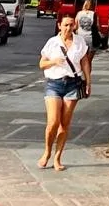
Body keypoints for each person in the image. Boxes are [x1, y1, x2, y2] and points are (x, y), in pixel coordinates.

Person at [37, 12, 92, 172]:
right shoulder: (52, 42)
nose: (68, 28)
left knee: (64, 124)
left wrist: (88, 82)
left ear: (75, 25)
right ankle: (47, 151)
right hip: (54, 83)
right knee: (53, 122)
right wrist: (53, 61)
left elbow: (85, 62)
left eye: (71, 25)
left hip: (73, 84)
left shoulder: (79, 42)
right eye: (65, 25)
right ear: (59, 25)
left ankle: (57, 157)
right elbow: (41, 64)